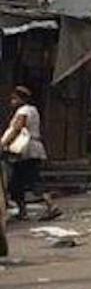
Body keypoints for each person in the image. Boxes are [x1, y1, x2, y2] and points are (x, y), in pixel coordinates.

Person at [1, 86, 60, 221]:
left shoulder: (24, 111)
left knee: (33, 180)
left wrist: (3, 144)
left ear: (20, 99)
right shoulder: (32, 110)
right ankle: (23, 211)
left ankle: (51, 206)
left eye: (14, 98)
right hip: (28, 150)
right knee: (16, 183)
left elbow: (17, 129)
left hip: (27, 150)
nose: (12, 101)